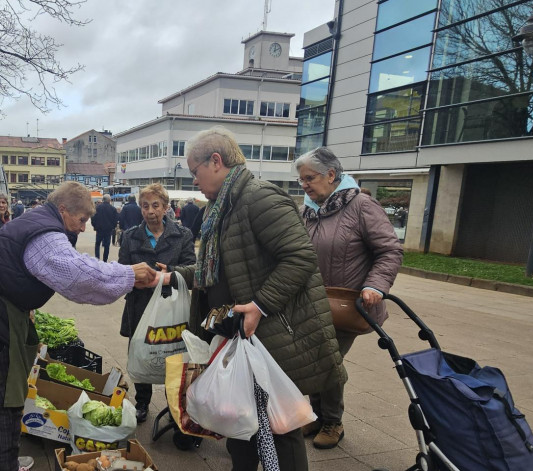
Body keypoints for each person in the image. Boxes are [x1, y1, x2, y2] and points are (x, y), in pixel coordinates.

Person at [159, 127, 346, 471]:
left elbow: (300, 257)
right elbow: (217, 267)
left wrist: (260, 305)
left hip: (269, 334)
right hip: (235, 333)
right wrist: (170, 276)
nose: (193, 179)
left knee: (278, 424)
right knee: (240, 415)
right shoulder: (218, 206)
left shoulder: (259, 197)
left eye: (194, 170)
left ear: (215, 161)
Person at [0, 181, 158, 471]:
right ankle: (3, 465)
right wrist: (128, 274)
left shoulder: (39, 220)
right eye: (82, 220)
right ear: (63, 210)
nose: (84, 228)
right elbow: (79, 274)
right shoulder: (46, 233)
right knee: (9, 398)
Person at [296, 147, 403, 449]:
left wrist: (376, 285)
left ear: (331, 175)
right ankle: (317, 415)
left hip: (348, 304)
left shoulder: (361, 206)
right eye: (301, 179)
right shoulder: (310, 210)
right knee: (313, 361)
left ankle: (332, 421)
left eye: (309, 178)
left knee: (327, 362)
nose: (304, 184)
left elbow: (390, 250)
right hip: (313, 304)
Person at [118, 183, 196, 423]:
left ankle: (175, 402)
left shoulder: (182, 235)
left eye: (155, 206)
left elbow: (193, 268)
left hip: (171, 306)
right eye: (145, 206)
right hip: (139, 305)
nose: (150, 211)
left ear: (165, 207)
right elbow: (122, 271)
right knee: (141, 352)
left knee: (172, 352)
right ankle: (142, 401)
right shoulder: (130, 236)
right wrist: (133, 279)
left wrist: (170, 271)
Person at [91, 195, 119, 262]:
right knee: (107, 246)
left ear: (103, 200)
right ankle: (105, 260)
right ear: (109, 200)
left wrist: (95, 226)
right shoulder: (113, 209)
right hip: (108, 230)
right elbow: (115, 220)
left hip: (99, 229)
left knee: (97, 244)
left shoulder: (97, 208)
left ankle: (97, 259)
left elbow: (93, 218)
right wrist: (113, 227)